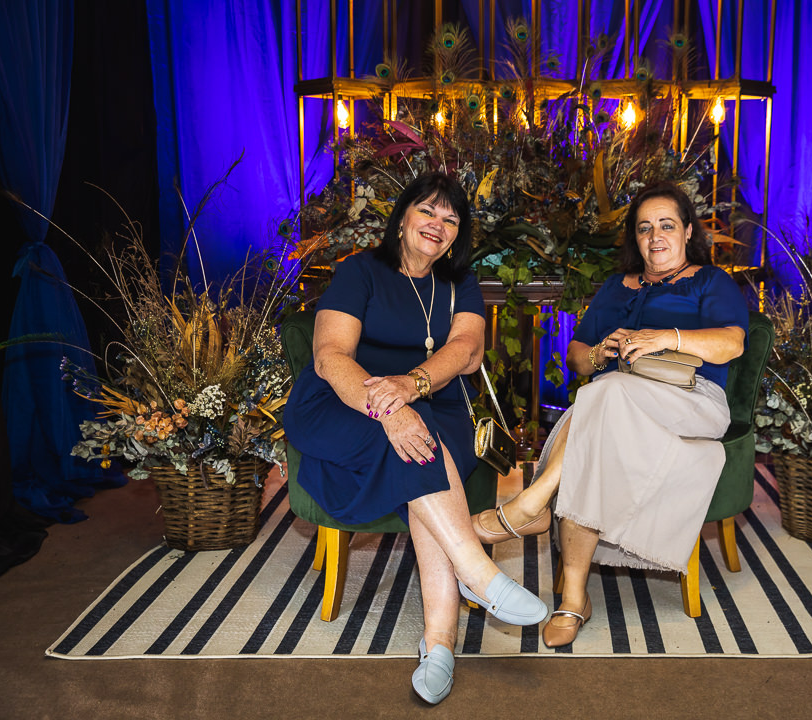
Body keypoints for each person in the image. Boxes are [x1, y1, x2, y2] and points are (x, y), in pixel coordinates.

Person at [283, 172, 547, 705]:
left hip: (433, 400)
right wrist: (390, 411)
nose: (437, 225)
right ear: (402, 218)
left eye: (450, 219)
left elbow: (467, 349)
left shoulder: (458, 281)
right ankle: (471, 583)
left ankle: (440, 643)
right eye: (427, 211)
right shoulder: (360, 270)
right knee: (416, 449)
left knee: (423, 448)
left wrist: (411, 388)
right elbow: (330, 356)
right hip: (344, 400)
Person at [470, 181, 748, 648]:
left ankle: (533, 501)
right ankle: (573, 599)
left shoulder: (710, 281)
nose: (655, 237)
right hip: (617, 405)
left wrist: (665, 337)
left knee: (605, 393)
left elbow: (732, 343)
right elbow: (578, 358)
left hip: (693, 400)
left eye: (666, 225)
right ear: (634, 237)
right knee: (602, 402)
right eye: (644, 228)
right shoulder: (617, 288)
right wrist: (602, 351)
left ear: (687, 232)